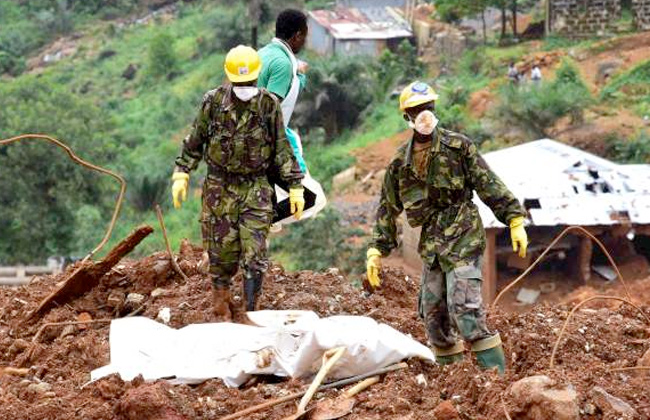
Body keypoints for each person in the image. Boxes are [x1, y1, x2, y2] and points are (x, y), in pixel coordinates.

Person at [364, 81, 529, 374]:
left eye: (427, 107)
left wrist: (514, 219)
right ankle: (452, 381)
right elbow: (389, 206)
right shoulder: (400, 162)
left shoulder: (459, 147)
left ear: (435, 108)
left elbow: (487, 183)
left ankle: (496, 379)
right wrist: (377, 249)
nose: (424, 114)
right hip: (432, 243)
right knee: (433, 316)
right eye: (417, 110)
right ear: (407, 117)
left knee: (465, 308)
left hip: (463, 233)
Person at [171, 45, 305, 322]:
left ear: (257, 77)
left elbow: (281, 147)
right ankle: (221, 308)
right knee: (221, 255)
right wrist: (182, 172)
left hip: (255, 189)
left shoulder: (268, 105)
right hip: (220, 189)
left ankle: (250, 312)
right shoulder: (213, 102)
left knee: (255, 255)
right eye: (240, 81)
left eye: (249, 81)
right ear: (230, 77)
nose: (245, 86)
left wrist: (295, 185)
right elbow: (196, 140)